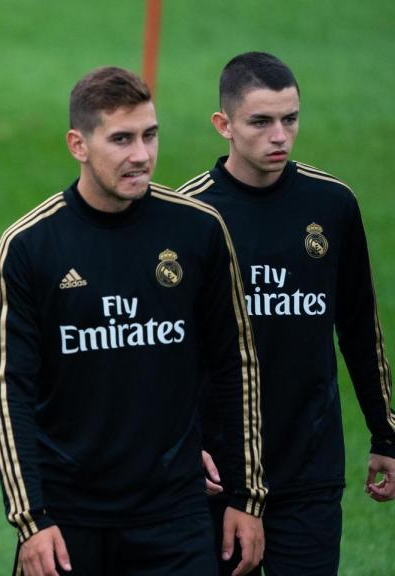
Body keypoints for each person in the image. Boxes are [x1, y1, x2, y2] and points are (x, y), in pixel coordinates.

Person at [0, 66, 267, 576]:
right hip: (67, 522)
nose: (141, 155)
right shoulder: (28, 247)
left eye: (149, 135)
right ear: (78, 144)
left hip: (174, 516)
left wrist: (247, 496)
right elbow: (10, 393)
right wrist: (31, 520)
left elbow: (237, 366)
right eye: (121, 139)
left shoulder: (199, 230)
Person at [179, 51, 395, 575]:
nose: (279, 135)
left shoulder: (332, 205)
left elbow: (360, 327)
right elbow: (167, 353)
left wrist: (385, 433)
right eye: (261, 121)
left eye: (290, 119)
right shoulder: (188, 218)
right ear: (223, 125)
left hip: (309, 467)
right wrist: (182, 449)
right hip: (218, 471)